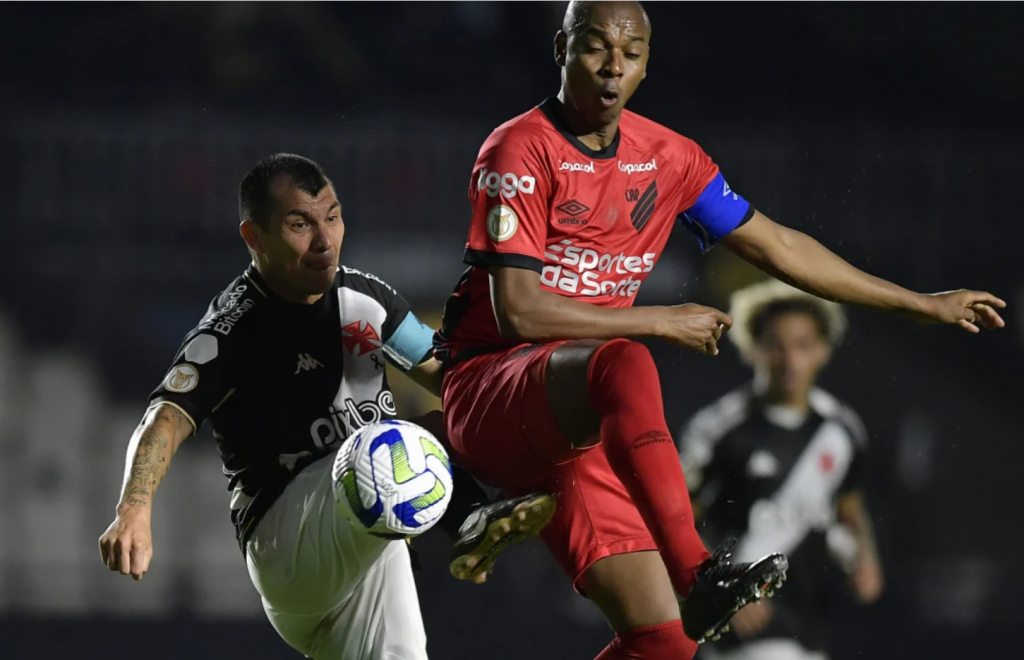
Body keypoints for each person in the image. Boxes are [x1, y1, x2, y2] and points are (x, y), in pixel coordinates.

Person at [432, 2, 1006, 659]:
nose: (613, 66)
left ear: (648, 65)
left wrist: (920, 303)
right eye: (595, 47)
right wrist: (657, 320)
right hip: (489, 394)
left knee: (665, 642)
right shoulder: (519, 149)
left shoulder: (670, 159)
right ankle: (700, 572)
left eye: (631, 52)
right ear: (562, 49)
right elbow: (521, 312)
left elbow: (782, 246)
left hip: (572, 428)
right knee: (624, 363)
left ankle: (693, 590)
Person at [97, 154, 555, 660]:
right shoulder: (232, 330)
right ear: (253, 237)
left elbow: (456, 381)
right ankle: (468, 519)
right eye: (300, 225)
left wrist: (539, 411)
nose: (324, 241)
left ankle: (470, 519)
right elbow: (165, 418)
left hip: (370, 533)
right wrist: (133, 509)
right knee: (392, 445)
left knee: (444, 423)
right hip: (289, 548)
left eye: (332, 217)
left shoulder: (365, 301)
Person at [679, 280, 883, 660]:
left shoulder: (842, 429)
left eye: (803, 346)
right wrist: (725, 586)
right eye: (777, 345)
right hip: (742, 631)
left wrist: (867, 559)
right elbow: (676, 519)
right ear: (753, 347)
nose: (790, 359)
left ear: (823, 350)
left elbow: (849, 507)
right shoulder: (717, 430)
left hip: (811, 622)